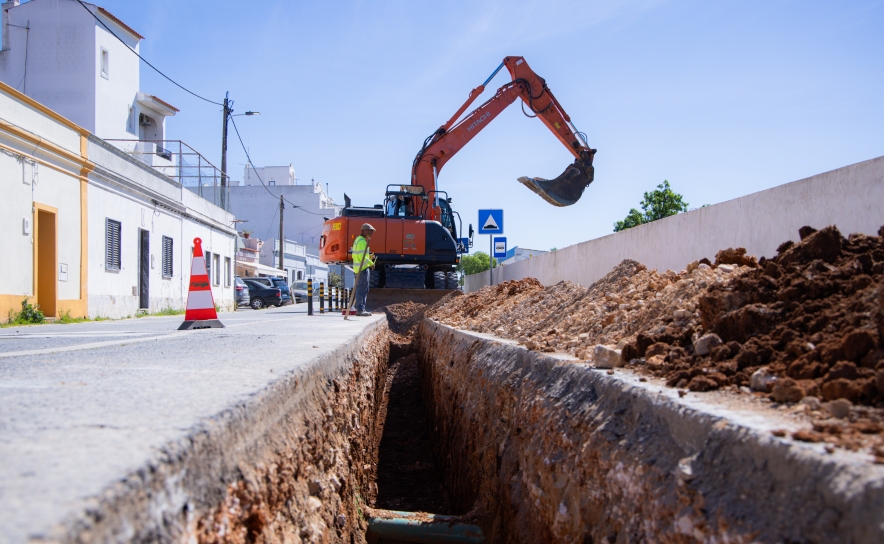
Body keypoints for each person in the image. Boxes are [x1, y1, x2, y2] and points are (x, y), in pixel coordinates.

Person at [351, 223, 376, 316]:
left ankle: (360, 308)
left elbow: (358, 255)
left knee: (360, 289)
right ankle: (360, 309)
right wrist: (371, 263)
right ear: (365, 231)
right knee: (362, 289)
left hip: (358, 269)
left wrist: (368, 258)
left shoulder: (357, 240)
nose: (372, 233)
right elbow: (362, 257)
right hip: (363, 269)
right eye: (370, 231)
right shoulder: (362, 242)